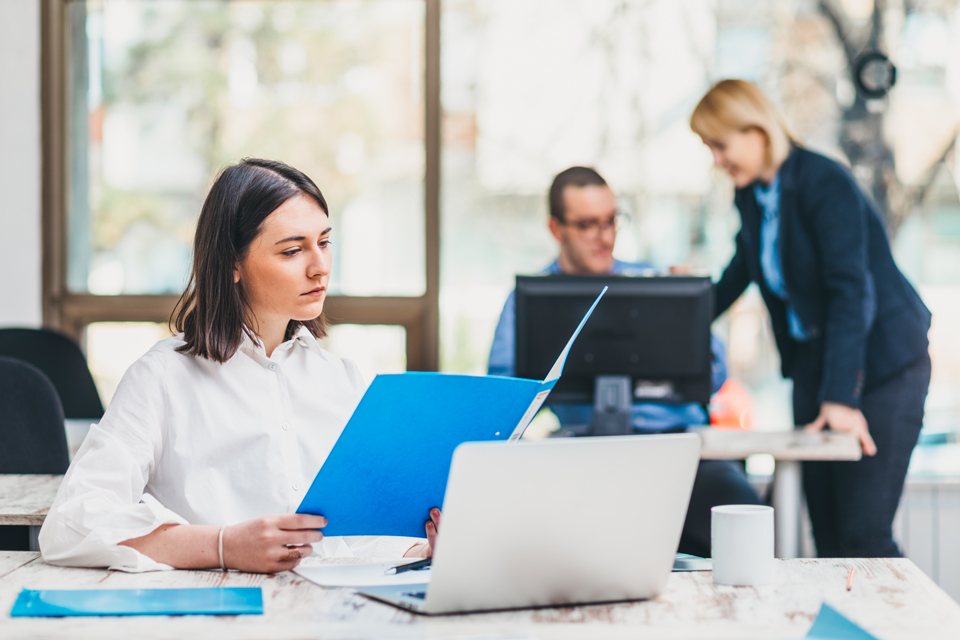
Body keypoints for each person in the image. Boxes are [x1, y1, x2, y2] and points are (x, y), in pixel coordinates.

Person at [39, 159, 439, 573]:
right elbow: (71, 524)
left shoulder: (343, 379)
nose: (319, 265)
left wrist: (422, 551)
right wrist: (223, 546)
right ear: (232, 263)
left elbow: (358, 540)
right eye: (292, 249)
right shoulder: (161, 377)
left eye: (324, 242)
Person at [690, 79, 932, 557]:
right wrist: (677, 309)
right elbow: (740, 274)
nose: (717, 160)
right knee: (827, 539)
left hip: (882, 366)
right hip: (818, 368)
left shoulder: (824, 182)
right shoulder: (754, 196)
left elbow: (851, 292)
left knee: (863, 538)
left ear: (756, 130)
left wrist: (842, 397)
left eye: (720, 145)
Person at [488, 166, 761, 558]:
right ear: (556, 228)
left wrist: (693, 318)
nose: (605, 236)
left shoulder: (657, 281)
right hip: (581, 457)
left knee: (738, 506)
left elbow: (716, 377)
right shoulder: (528, 301)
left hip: (676, 455)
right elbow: (504, 395)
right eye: (588, 225)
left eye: (611, 221)